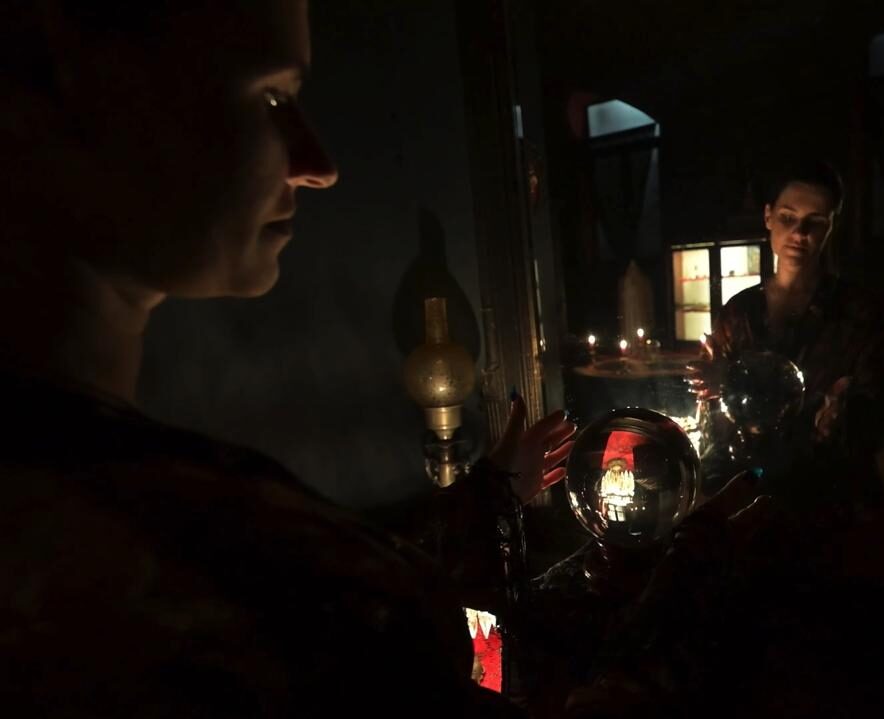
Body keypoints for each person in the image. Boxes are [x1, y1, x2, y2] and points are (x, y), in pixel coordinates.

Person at [0, 1, 580, 715]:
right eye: (271, 96)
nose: (318, 166)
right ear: (59, 76)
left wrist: (489, 498)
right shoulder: (234, 584)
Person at [688, 161, 884, 517]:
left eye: (815, 221)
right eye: (788, 217)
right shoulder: (740, 312)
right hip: (748, 492)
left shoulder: (858, 312)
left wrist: (841, 415)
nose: (799, 233)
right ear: (768, 216)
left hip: (831, 496)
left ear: (831, 226)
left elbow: (877, 414)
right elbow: (716, 417)